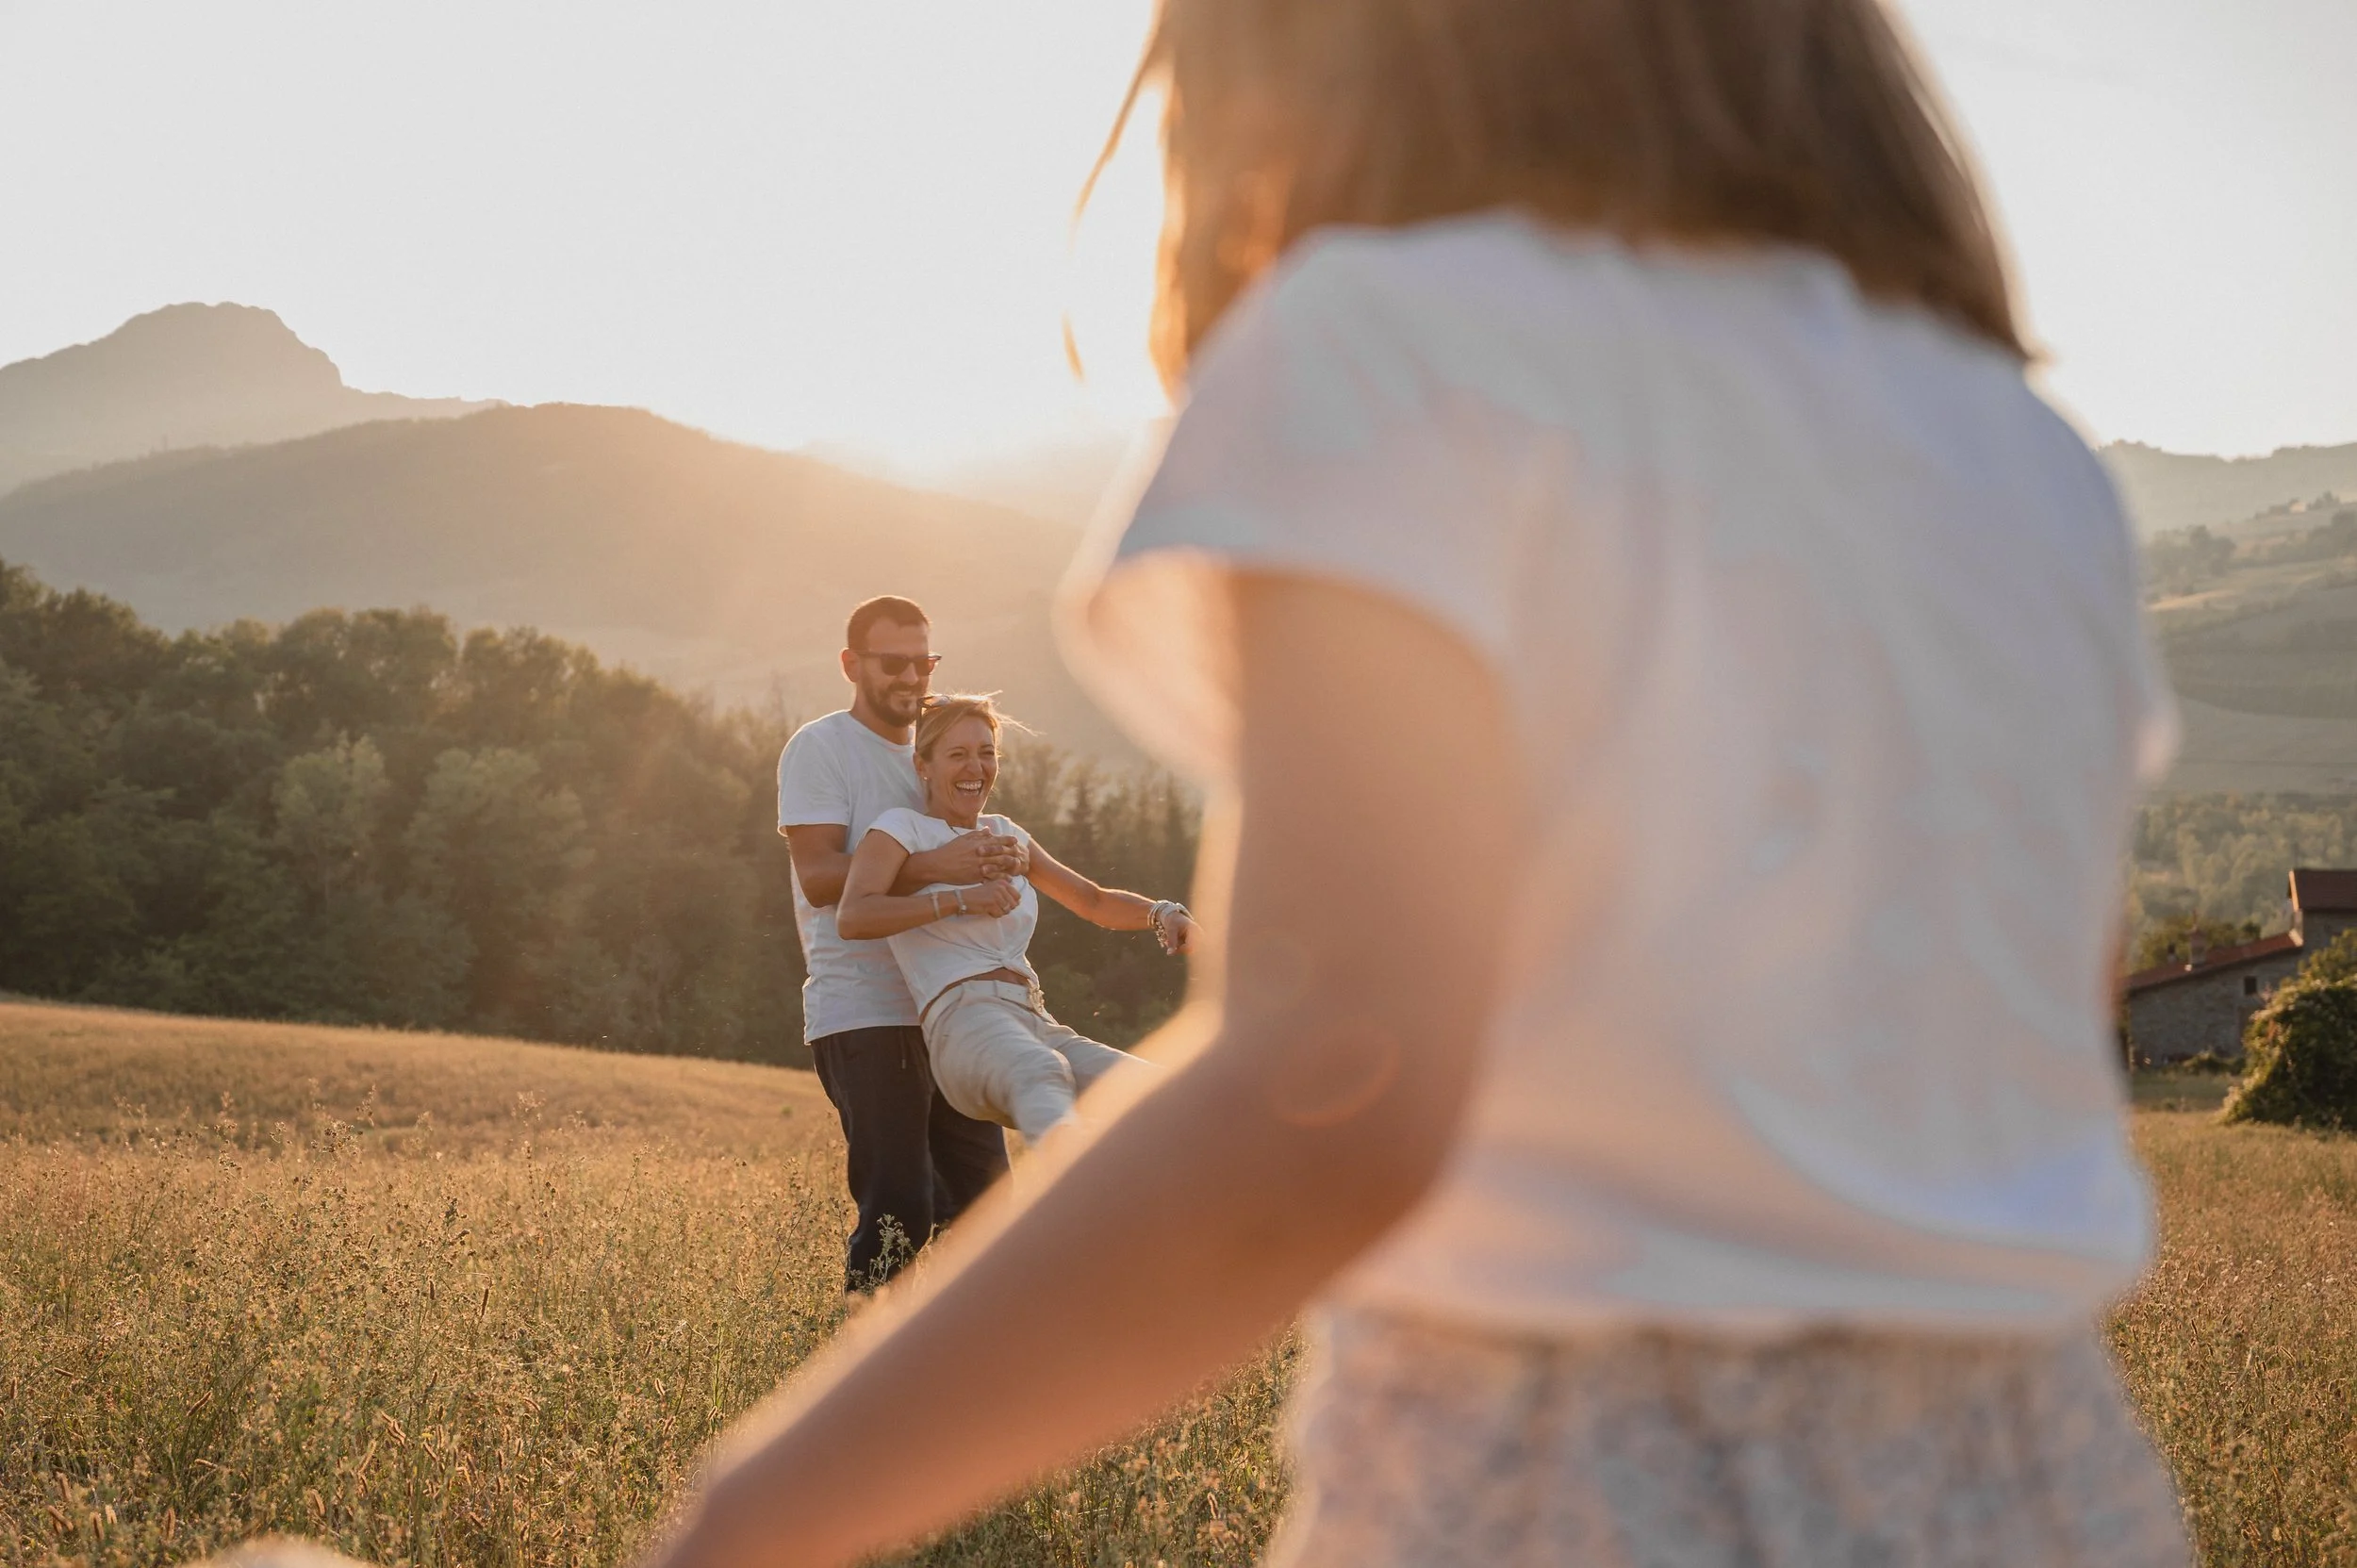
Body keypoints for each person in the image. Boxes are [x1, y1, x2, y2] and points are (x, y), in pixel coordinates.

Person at [646, 1, 2190, 1565]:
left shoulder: (1397, 344)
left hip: (1583, 1489)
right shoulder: (2020, 452)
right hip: (2056, 1484)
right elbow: (2063, 1006)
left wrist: (746, 1522)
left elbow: (1337, 1084)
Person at [776, 596, 1021, 1290]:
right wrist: (937, 869)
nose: (912, 677)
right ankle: (860, 1355)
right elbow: (822, 877)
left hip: (950, 1006)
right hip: (864, 1010)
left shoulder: (936, 746)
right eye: (894, 663)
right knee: (901, 1209)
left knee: (987, 1209)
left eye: (924, 661)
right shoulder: (820, 749)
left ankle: (970, 1370)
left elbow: (970, 840)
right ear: (852, 664)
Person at [835, 694, 1195, 1145]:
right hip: (962, 1022)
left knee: (1172, 1094)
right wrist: (961, 900)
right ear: (923, 765)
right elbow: (854, 915)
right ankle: (1068, 1197)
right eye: (958, 754)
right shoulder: (899, 829)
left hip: (1034, 1017)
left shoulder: (1006, 833)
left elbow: (1093, 900)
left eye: (987, 753)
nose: (976, 768)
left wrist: (1163, 912)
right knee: (1041, 1070)